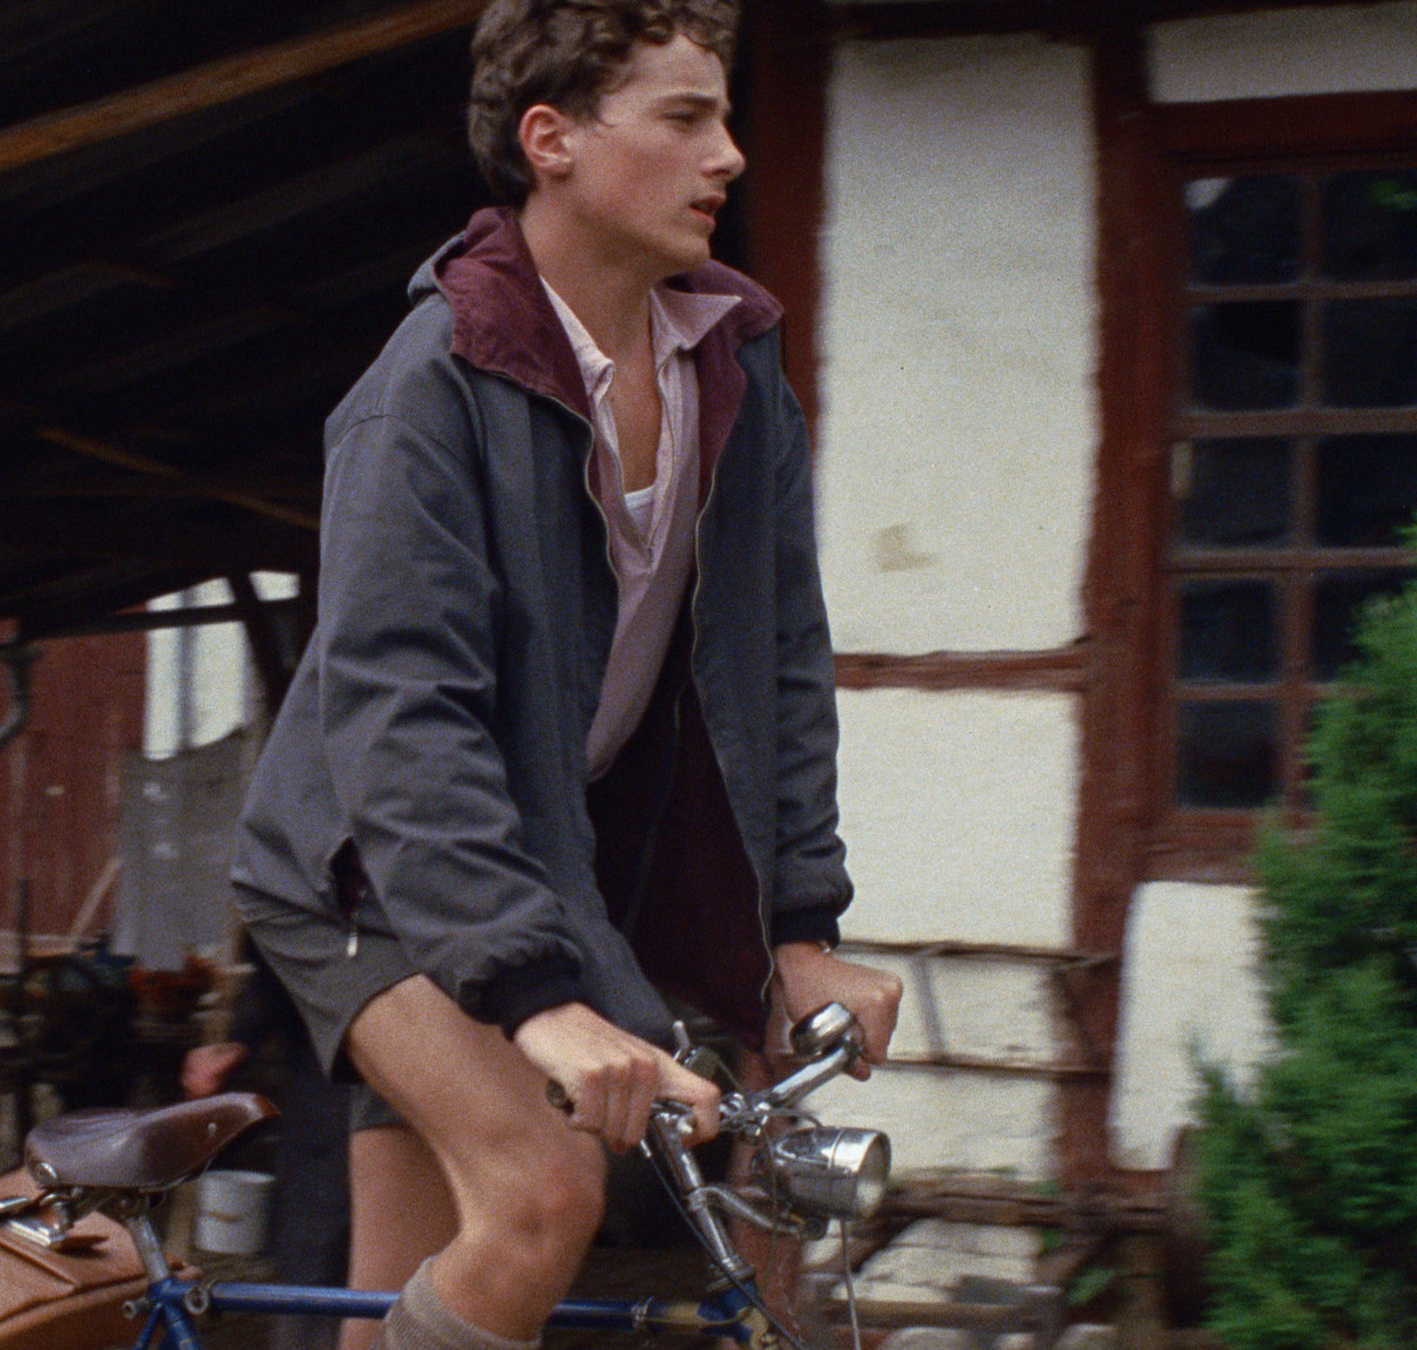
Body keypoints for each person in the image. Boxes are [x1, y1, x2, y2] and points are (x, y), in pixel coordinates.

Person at [227, 4, 904, 1349]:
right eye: (683, 117)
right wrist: (539, 997)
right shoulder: (427, 388)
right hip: (368, 858)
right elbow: (403, 715)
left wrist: (801, 927)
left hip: (529, 855)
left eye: (725, 115)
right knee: (543, 1193)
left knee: (405, 1289)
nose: (730, 156)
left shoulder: (731, 372)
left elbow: (779, 670)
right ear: (553, 141)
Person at [179, 947, 353, 1350]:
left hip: (416, 1107)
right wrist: (240, 1040)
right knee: (314, 1264)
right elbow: (277, 972)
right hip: (324, 1106)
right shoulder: (303, 892)